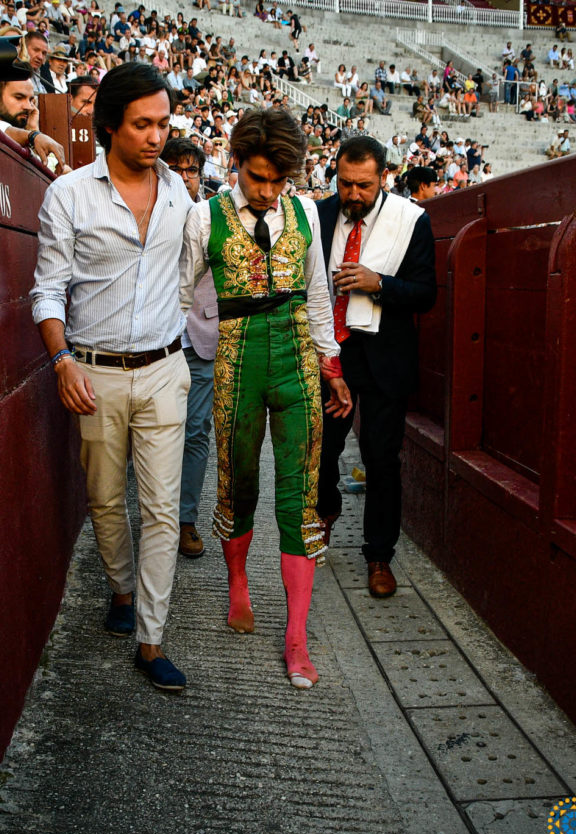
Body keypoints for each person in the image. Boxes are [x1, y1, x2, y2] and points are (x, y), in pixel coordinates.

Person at [29, 63, 193, 691]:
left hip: (164, 370)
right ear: (108, 128)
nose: (156, 137)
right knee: (104, 498)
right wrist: (62, 359)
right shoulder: (69, 195)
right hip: (92, 372)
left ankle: (151, 640)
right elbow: (47, 291)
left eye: (163, 123)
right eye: (143, 125)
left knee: (158, 507)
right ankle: (121, 589)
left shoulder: (181, 195)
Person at [179, 107, 352, 689]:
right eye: (258, 178)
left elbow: (318, 292)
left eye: (279, 180)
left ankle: (297, 638)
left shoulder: (303, 210)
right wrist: (178, 367)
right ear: (236, 165)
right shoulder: (204, 219)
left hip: (297, 357)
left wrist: (331, 366)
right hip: (236, 359)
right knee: (238, 480)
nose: (269, 191)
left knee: (300, 494)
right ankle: (237, 587)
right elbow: (179, 296)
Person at [316, 137, 436, 598]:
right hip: (334, 354)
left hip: (386, 356)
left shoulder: (411, 219)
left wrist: (377, 283)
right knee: (322, 449)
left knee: (381, 460)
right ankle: (326, 510)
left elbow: (426, 293)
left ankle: (379, 555)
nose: (353, 194)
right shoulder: (320, 214)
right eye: (345, 183)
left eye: (363, 185)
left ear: (383, 177)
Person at [161, 138, 219, 561]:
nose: (184, 177)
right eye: (176, 169)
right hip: (155, 337)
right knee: (157, 432)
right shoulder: (150, 207)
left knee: (196, 429)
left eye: (191, 170)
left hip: (201, 337)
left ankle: (186, 520)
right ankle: (158, 520)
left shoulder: (217, 215)